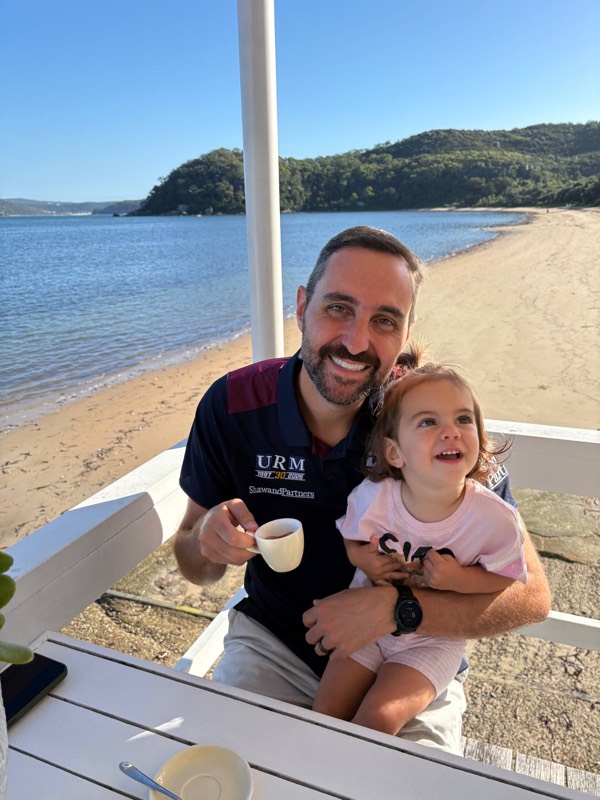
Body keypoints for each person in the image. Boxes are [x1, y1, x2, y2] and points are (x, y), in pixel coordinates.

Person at [174, 225, 550, 754]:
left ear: (404, 333)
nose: (355, 341)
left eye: (384, 320)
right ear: (302, 305)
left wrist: (397, 609)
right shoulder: (232, 405)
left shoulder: (430, 418)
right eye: (338, 308)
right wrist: (206, 544)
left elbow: (530, 597)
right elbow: (194, 562)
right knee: (238, 766)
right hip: (274, 645)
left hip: (407, 658)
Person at [312, 350, 527, 735]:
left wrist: (458, 579)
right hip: (368, 626)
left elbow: (505, 577)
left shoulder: (494, 518)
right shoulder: (374, 497)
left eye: (464, 419)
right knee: (325, 710)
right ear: (395, 452)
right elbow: (351, 538)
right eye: (428, 422)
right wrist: (366, 562)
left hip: (433, 640)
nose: (451, 431)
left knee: (379, 718)